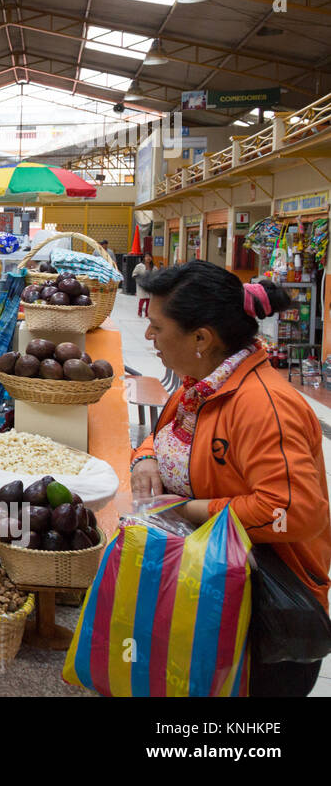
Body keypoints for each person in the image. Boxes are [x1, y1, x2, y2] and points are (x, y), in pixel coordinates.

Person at [131, 261, 331, 696]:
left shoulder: (263, 407)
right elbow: (167, 438)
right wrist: (145, 458)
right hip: (210, 597)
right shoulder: (200, 387)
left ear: (202, 338)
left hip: (263, 621)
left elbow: (292, 511)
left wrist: (189, 510)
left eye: (158, 327)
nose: (149, 337)